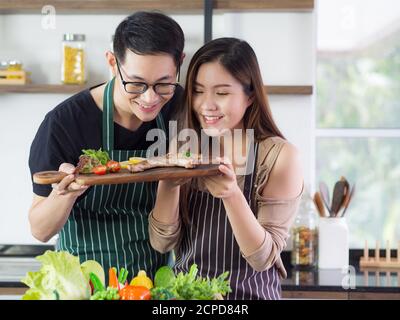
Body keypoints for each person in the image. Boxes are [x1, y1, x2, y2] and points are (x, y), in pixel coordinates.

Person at [28, 11, 185, 279]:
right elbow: (40, 230)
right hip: (83, 283)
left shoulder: (180, 109)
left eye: (163, 84)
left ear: (179, 64)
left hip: (153, 283)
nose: (149, 98)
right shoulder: (65, 123)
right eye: (136, 84)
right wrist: (64, 195)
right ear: (112, 62)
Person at [149, 37, 303, 299]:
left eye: (221, 93)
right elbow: (162, 243)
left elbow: (263, 259)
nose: (206, 105)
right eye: (197, 91)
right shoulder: (187, 144)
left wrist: (231, 194)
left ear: (250, 95)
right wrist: (169, 181)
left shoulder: (279, 156)